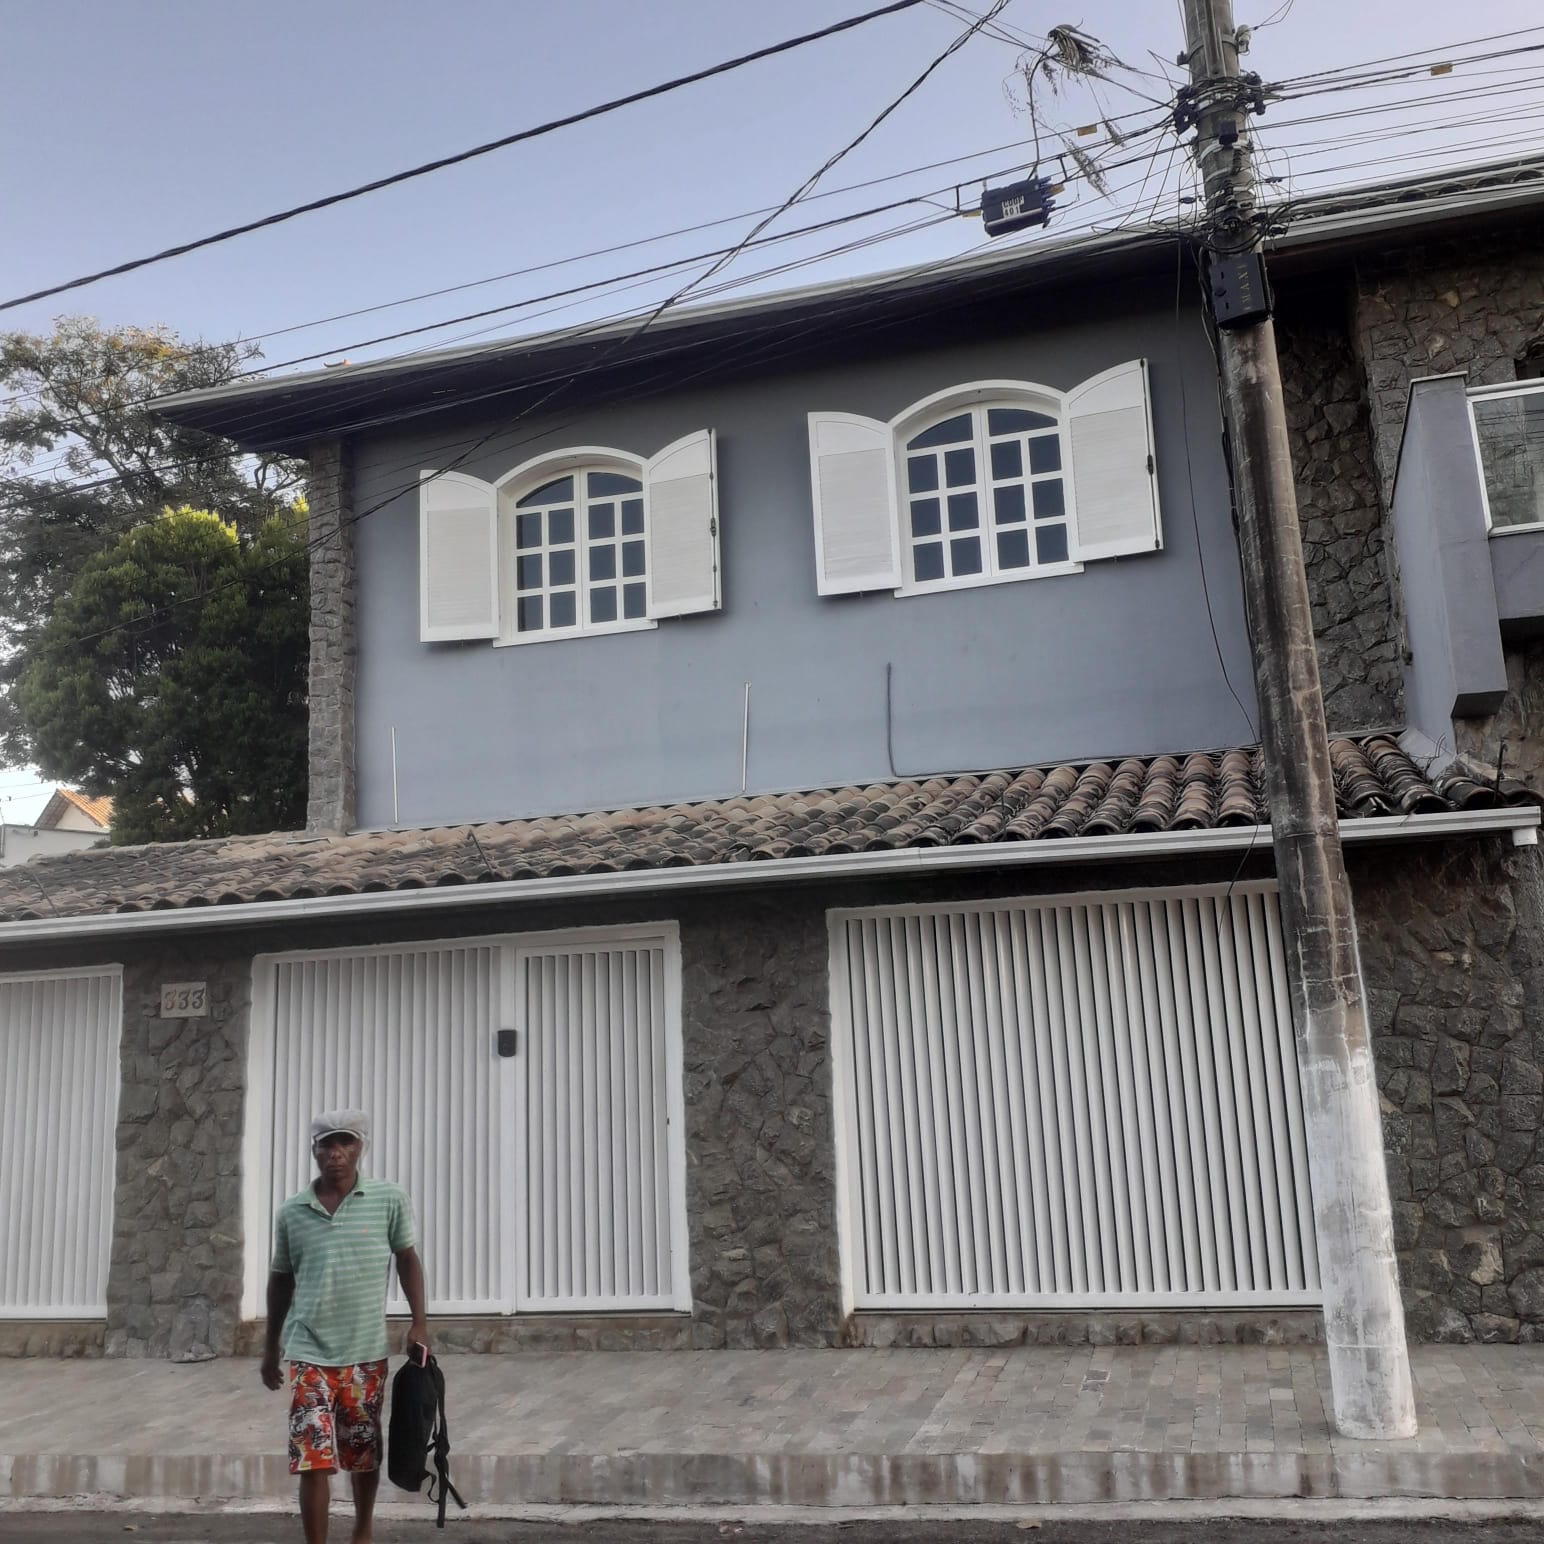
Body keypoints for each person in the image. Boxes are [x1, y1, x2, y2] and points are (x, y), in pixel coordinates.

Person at [260, 1109, 429, 1544]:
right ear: (314, 1151)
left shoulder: (388, 1198)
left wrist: (419, 1324)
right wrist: (270, 1347)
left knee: (362, 1453)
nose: (335, 1153)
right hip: (308, 1351)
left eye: (345, 1143)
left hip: (365, 1353)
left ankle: (362, 1531)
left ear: (360, 1147)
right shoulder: (292, 1213)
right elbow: (281, 1280)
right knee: (312, 1457)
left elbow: (407, 1259)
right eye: (326, 1145)